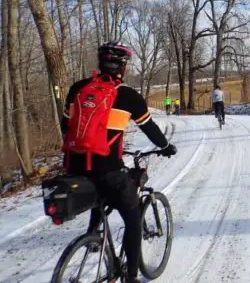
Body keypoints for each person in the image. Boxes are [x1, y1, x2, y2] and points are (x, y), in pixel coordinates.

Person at [61, 41, 177, 283]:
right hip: (108, 171)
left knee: (97, 192)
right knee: (132, 217)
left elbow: (65, 126)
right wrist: (165, 147)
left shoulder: (78, 89)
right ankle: (132, 277)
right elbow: (150, 128)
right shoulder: (128, 96)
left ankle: (93, 236)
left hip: (74, 168)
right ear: (123, 67)